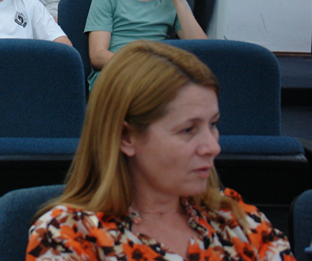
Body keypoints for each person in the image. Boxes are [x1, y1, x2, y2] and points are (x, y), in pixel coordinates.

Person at [27, 40, 294, 261]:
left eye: (212, 124)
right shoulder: (69, 235)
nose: (213, 147)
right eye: (188, 130)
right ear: (126, 137)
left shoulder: (235, 217)